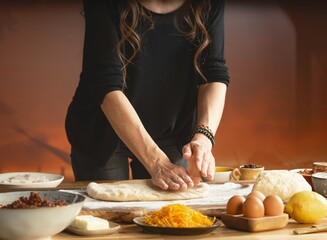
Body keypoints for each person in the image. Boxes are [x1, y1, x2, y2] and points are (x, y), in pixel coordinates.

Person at [65, 0, 230, 191]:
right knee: (109, 212)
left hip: (171, 131)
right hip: (103, 131)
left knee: (167, 216)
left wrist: (204, 135)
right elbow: (106, 83)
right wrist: (155, 161)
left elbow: (214, 72)